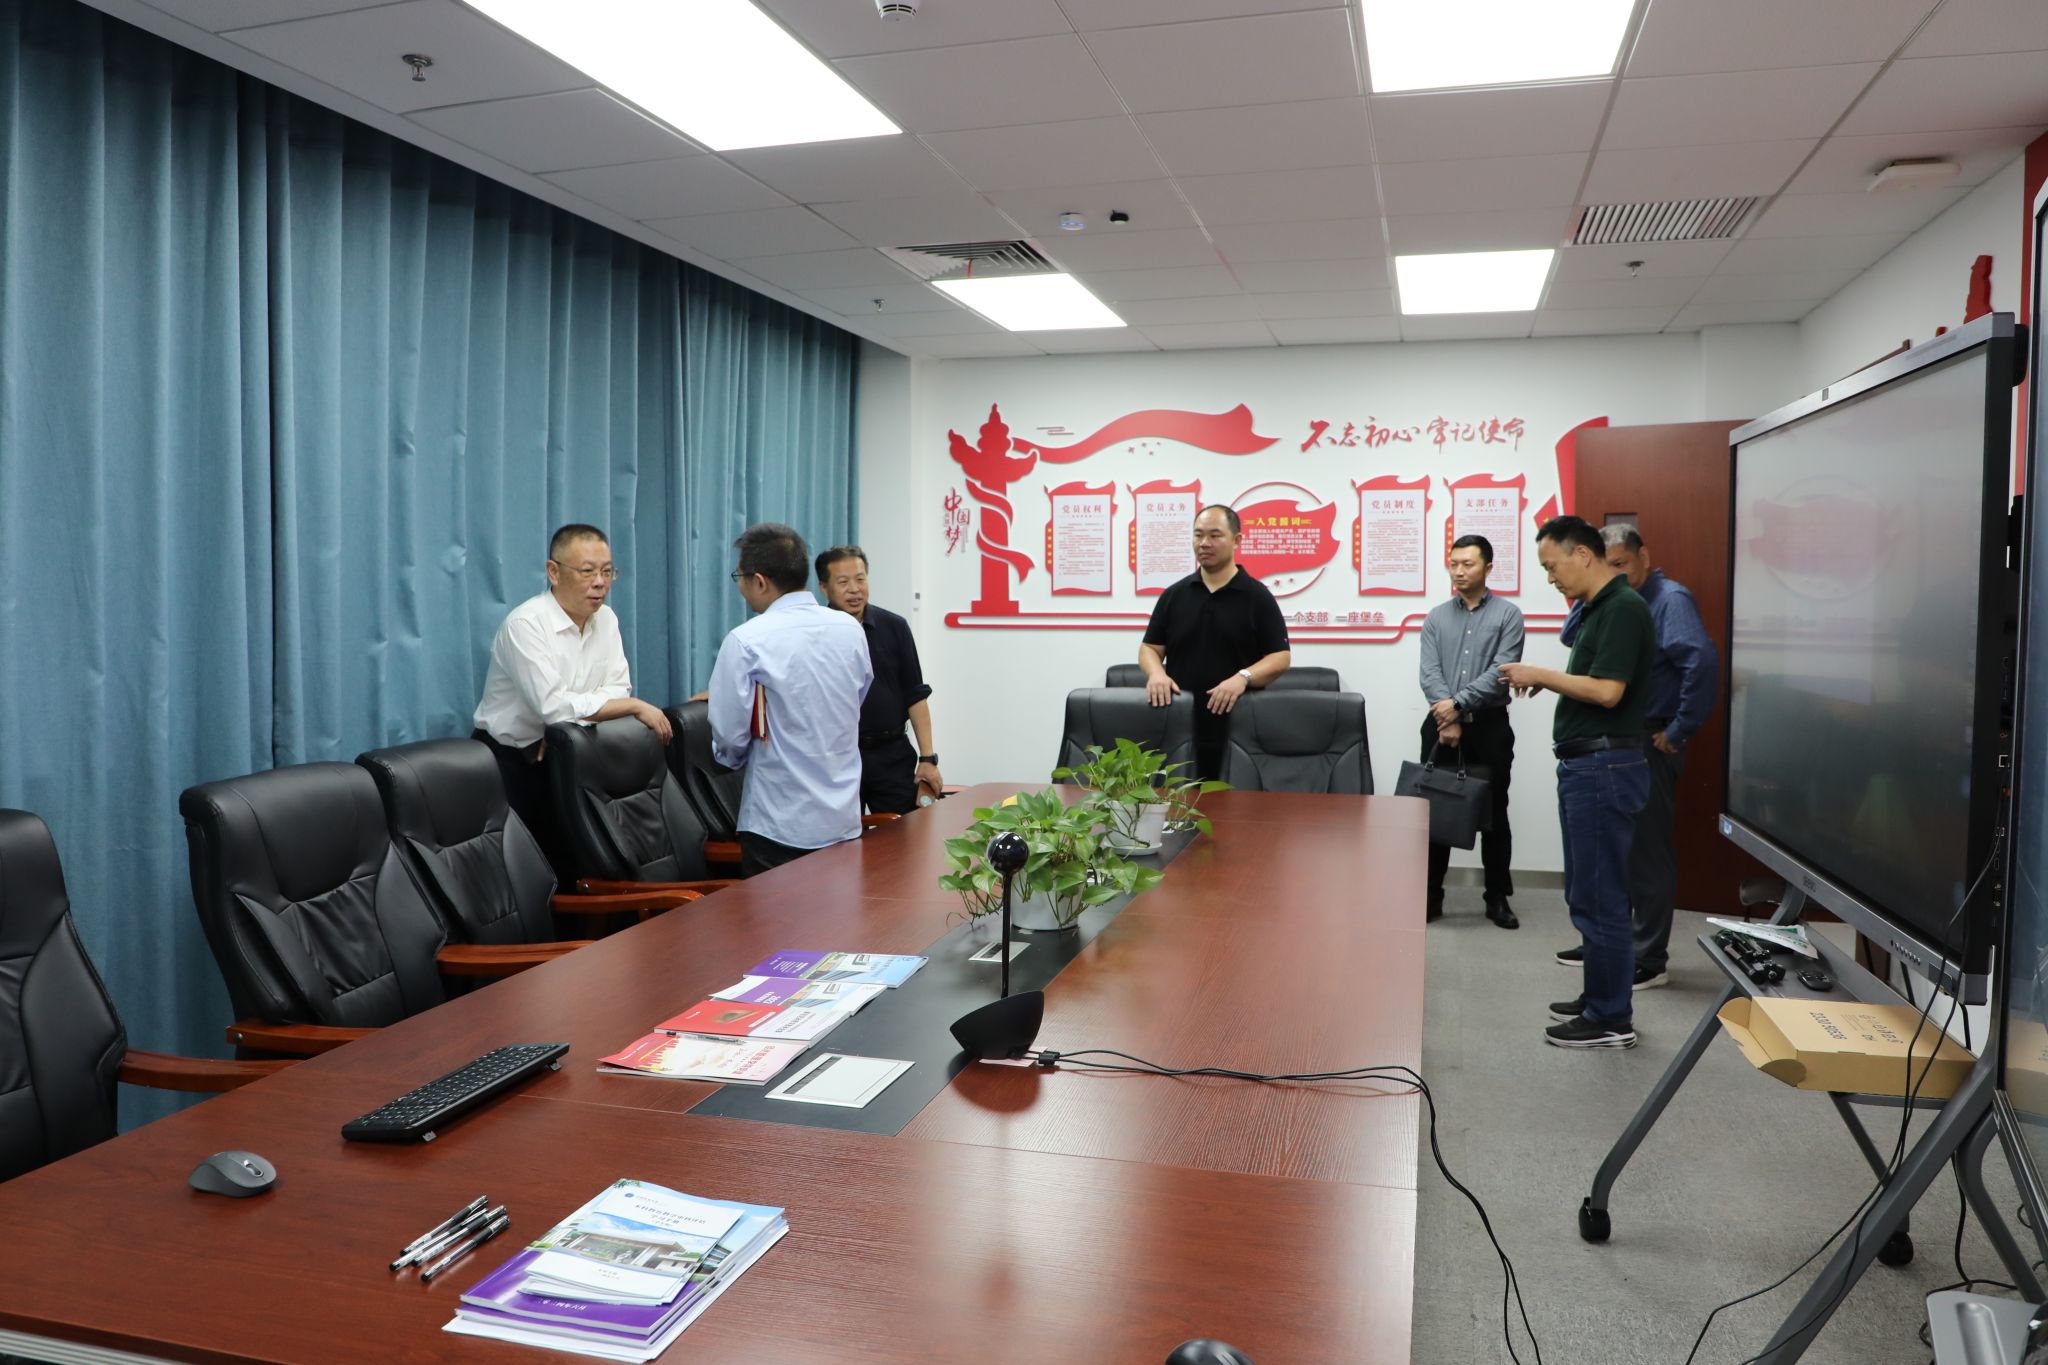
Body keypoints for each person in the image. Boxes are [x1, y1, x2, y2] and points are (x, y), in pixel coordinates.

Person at [1498, 515, 1655, 1050]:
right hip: (1591, 766)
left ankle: (1610, 1018)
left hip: (1603, 768)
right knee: (1587, 890)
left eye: (1552, 566)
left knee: (1600, 895)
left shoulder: (1623, 608)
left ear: (1583, 554)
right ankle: (1598, 999)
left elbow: (1609, 691)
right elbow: (1595, 682)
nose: (1551, 578)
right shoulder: (1598, 608)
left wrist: (1540, 674)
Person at [1555, 527, 1720, 989]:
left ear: (1643, 556)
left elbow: (1701, 662)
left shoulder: (1669, 600)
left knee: (1646, 854)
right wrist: (1588, 597)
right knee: (1612, 853)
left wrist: (1679, 729)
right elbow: (1570, 637)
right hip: (1613, 743)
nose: (1614, 574)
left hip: (1647, 739)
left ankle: (1649, 957)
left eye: (1621, 564)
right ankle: (1609, 943)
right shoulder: (1608, 601)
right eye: (1605, 565)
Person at [473, 522, 671, 883]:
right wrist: (632, 707)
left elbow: (618, 688)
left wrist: (570, 721)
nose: (600, 582)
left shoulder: (606, 619)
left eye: (607, 572)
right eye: (587, 571)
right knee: (534, 876)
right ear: (554, 572)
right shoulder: (526, 625)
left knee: (583, 865)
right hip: (516, 761)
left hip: (570, 753)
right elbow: (554, 708)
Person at [708, 523, 871, 877]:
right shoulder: (850, 630)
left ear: (759, 581)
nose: (740, 587)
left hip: (779, 823)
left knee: (776, 915)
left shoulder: (746, 641)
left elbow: (730, 737)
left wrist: (733, 758)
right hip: (842, 817)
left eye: (740, 577)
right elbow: (858, 698)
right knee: (840, 913)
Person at [1139, 505, 1292, 780]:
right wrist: (1156, 674)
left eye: (1215, 535)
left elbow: (1280, 657)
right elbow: (1150, 648)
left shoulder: (1257, 597)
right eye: (1198, 535)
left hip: (1238, 732)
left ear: (1237, 540)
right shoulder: (1174, 595)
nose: (1204, 543)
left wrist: (1243, 677)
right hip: (1179, 728)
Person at [1418, 535, 1525, 928]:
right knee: (1435, 812)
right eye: (1454, 564)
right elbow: (1429, 672)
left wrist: (1458, 707)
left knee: (1494, 814)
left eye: (1468, 564)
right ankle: (1431, 896)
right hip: (1440, 725)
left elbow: (1501, 672)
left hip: (1489, 727)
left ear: (1488, 568)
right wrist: (1448, 717)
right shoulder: (1436, 617)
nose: (1459, 572)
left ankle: (1497, 898)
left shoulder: (1508, 615)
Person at [816, 545, 943, 814]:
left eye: (860, 579)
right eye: (843, 582)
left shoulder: (894, 626)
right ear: (824, 588)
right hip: (838, 758)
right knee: (841, 836)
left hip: (891, 755)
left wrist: (928, 758)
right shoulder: (816, 634)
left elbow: (915, 694)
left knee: (906, 833)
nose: (854, 589)